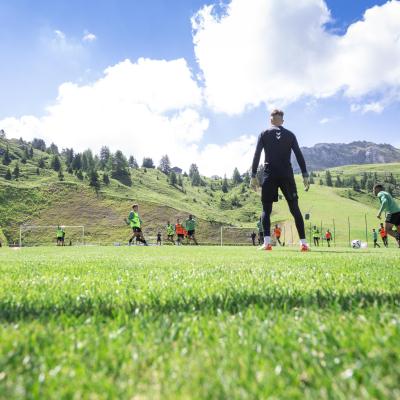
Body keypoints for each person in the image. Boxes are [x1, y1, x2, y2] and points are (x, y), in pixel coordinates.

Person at [251, 109, 310, 252]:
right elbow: (298, 154)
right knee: (294, 208)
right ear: (282, 121)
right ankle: (303, 244)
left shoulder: (264, 134)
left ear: (270, 120)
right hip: (286, 175)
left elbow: (257, 154)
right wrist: (305, 174)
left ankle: (267, 243)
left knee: (266, 209)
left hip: (269, 174)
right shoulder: (290, 135)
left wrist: (253, 175)